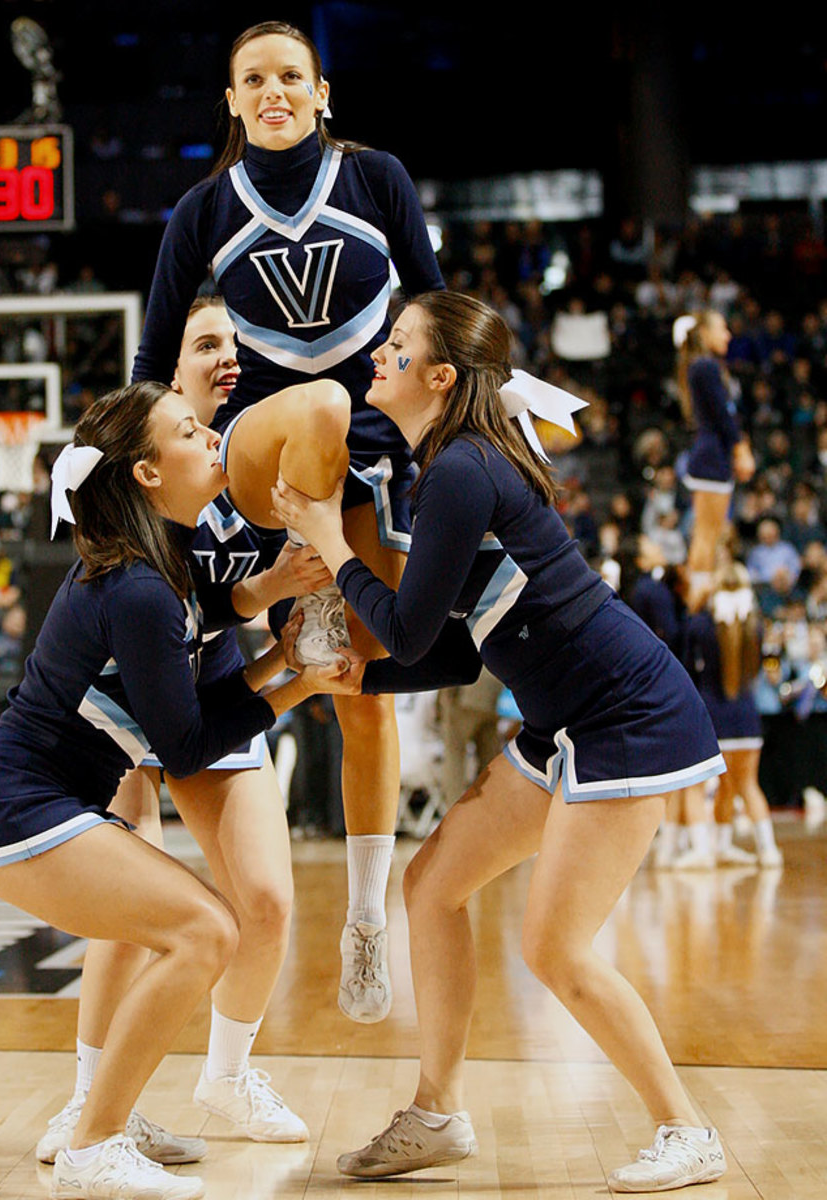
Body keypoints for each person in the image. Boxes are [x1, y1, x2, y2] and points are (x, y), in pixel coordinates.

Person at [272, 291, 729, 1193]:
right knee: (432, 884)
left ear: (438, 377)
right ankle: (436, 1113)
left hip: (624, 716)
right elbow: (447, 643)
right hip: (563, 720)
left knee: (555, 948)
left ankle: (688, 1131)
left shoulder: (459, 469)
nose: (378, 354)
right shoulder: (448, 464)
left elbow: (402, 628)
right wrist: (359, 678)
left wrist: (327, 535)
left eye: (396, 346)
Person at [0, 380, 360, 1200]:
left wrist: (282, 661)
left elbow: (198, 700)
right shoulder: (135, 589)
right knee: (204, 931)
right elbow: (188, 746)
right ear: (146, 475)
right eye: (191, 431)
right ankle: (94, 1141)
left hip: (28, 800)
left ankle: (107, 1118)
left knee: (195, 930)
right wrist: (299, 689)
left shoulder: (159, 570)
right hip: (10, 803)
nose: (213, 440)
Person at [131, 19, 446, 1022]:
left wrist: (473, 424)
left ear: (322, 92)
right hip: (266, 456)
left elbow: (437, 319)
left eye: (290, 77)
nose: (273, 92)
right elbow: (149, 364)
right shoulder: (201, 207)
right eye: (252, 79)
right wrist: (99, 456)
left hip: (367, 477)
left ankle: (364, 922)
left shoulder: (379, 179)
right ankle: (305, 607)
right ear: (231, 101)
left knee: (364, 694)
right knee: (316, 404)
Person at [36, 298, 330, 1166]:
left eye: (238, 343)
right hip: (134, 705)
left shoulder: (251, 459)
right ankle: (93, 1100)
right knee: (128, 915)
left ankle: (227, 1075)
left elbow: (212, 604)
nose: (228, 357)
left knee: (267, 903)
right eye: (208, 344)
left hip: (217, 690)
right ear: (168, 371)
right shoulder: (143, 456)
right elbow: (152, 600)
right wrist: (254, 597)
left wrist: (270, 600)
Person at [685, 559, 783, 868]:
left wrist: (697, 603)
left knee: (696, 787)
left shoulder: (701, 623)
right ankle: (767, 851)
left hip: (711, 717)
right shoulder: (755, 624)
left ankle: (703, 850)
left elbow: (687, 665)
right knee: (746, 785)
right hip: (747, 718)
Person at [674, 311, 756, 611]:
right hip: (712, 457)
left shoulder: (702, 366)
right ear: (705, 332)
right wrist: (741, 449)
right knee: (708, 533)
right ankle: (697, 600)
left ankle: (698, 594)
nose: (728, 335)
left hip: (711, 455)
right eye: (722, 329)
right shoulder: (705, 366)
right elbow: (724, 415)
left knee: (708, 532)